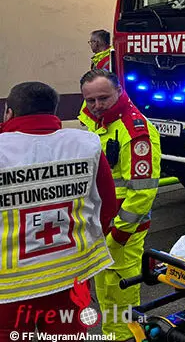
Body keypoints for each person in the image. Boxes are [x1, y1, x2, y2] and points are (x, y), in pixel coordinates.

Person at [0, 82, 117, 340]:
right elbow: (107, 205)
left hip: (9, 290)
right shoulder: (86, 144)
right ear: (53, 110)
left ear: (9, 113)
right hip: (70, 277)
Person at [78, 69, 161, 340]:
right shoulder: (95, 121)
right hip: (99, 227)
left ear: (119, 91)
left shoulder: (135, 131)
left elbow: (142, 193)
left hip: (122, 232)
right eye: (90, 100)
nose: (96, 105)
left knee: (121, 299)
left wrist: (118, 235)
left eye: (103, 98)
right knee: (106, 294)